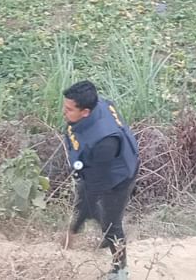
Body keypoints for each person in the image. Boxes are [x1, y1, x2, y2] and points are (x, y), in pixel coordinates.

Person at [62, 80, 139, 280]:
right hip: (98, 166)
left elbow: (94, 187)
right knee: (92, 206)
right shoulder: (98, 105)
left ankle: (120, 271)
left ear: (85, 112)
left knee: (112, 223)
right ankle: (99, 225)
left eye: (69, 109)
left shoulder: (105, 141)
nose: (64, 112)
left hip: (119, 176)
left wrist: (74, 226)